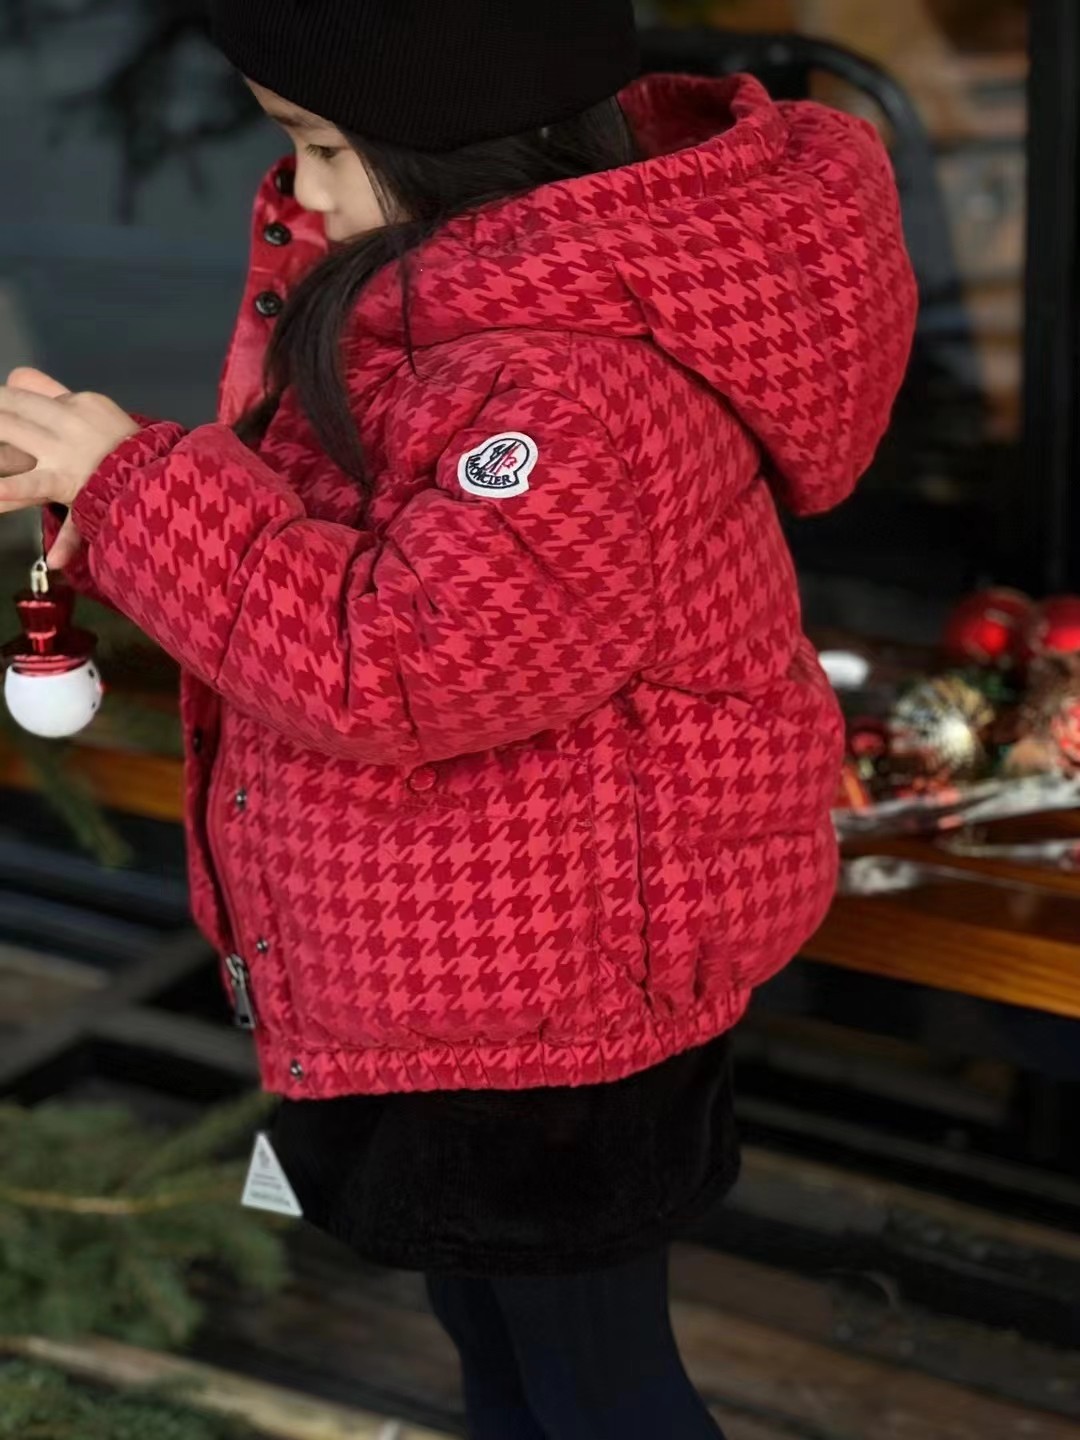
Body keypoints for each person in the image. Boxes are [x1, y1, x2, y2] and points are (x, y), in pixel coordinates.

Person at [0, 2, 916, 1434]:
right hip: (453, 989)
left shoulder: (566, 386)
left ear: (462, 140)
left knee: (593, 1380)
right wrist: (122, 504)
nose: (298, 192)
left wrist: (137, 491)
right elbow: (329, 550)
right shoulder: (429, 300)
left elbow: (407, 660)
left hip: (552, 1020)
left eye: (322, 147)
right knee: (500, 1347)